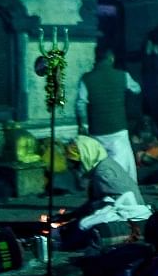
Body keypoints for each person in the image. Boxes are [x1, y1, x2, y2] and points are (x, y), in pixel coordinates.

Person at [60, 135, 152, 245]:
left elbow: (110, 204)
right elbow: (95, 202)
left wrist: (74, 218)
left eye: (76, 163)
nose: (75, 167)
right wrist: (70, 216)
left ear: (87, 155)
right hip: (117, 210)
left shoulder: (104, 171)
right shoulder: (100, 166)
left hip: (128, 214)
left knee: (79, 228)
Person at [76, 48, 141, 182]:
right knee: (123, 167)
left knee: (100, 164)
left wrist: (83, 124)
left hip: (96, 130)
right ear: (111, 59)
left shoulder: (86, 78)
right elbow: (137, 89)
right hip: (118, 128)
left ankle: (103, 194)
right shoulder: (122, 76)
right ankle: (122, 194)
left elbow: (80, 104)